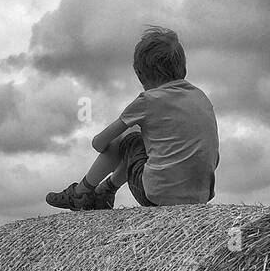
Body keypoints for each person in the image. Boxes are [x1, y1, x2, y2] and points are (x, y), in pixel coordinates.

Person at [46, 26, 219, 210]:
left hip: (154, 195)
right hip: (201, 195)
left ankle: (80, 193)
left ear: (139, 72)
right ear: (183, 67)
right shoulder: (201, 97)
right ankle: (105, 191)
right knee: (147, 138)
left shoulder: (148, 100)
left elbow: (98, 143)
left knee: (128, 137)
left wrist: (112, 148)